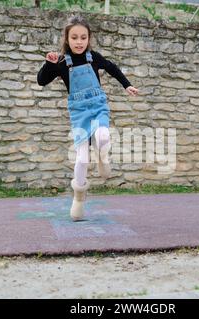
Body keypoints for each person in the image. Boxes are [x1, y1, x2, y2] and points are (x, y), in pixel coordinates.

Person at [37, 15, 139, 222]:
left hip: (98, 105)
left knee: (102, 136)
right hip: (79, 112)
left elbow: (112, 68)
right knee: (82, 158)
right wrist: (48, 64)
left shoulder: (94, 57)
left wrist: (126, 84)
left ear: (88, 38)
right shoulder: (62, 62)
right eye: (74, 37)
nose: (79, 41)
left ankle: (102, 156)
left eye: (83, 37)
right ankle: (79, 199)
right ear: (67, 38)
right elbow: (41, 81)